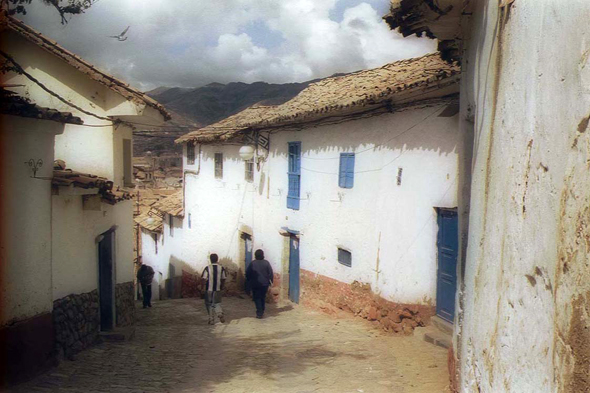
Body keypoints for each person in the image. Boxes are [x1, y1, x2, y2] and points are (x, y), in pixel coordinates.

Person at [246, 249, 274, 319]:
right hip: (265, 283)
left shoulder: (253, 263)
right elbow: (270, 273)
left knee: (257, 297)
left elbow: (248, 273)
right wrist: (271, 281)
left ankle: (259, 312)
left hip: (255, 283)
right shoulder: (266, 263)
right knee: (262, 296)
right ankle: (262, 309)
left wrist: (249, 281)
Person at [201, 253, 227, 325]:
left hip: (209, 289)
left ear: (210, 260)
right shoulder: (221, 268)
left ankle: (211, 319)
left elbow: (204, 278)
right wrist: (222, 286)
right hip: (218, 289)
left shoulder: (207, 268)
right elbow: (224, 278)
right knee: (217, 303)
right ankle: (219, 313)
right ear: (217, 259)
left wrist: (202, 288)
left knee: (209, 304)